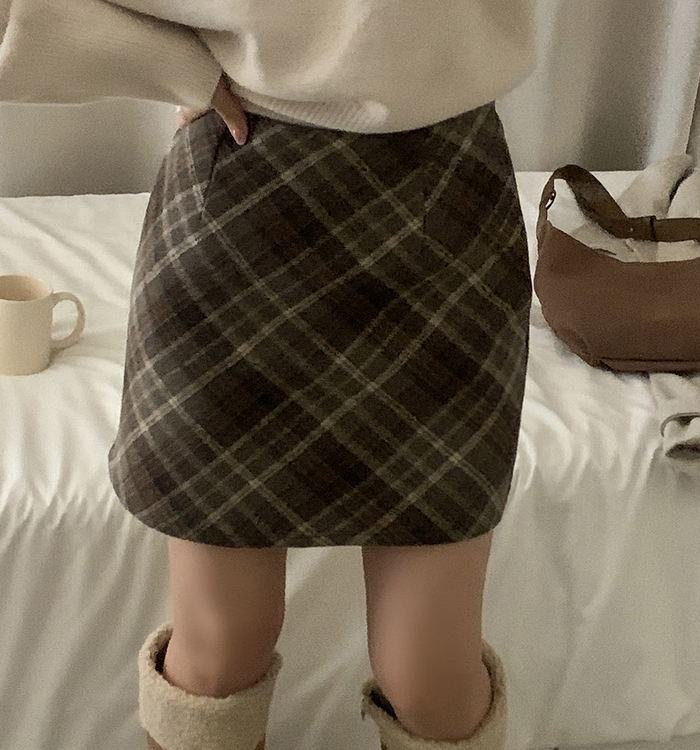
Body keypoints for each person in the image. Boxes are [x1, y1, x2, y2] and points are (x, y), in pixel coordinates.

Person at [0, 2, 536, 748]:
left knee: (429, 677)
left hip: (446, 207)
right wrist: (164, 60)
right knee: (220, 652)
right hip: (241, 202)